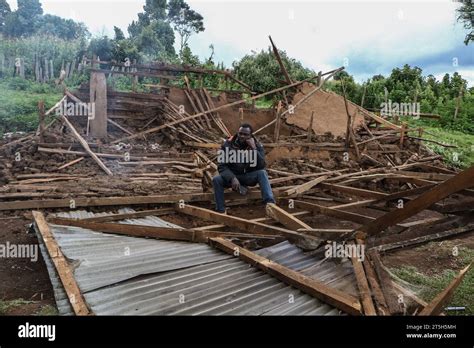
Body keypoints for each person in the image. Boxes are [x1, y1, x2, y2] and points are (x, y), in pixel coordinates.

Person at [212, 123, 275, 213]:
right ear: (237, 133)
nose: (242, 136)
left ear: (250, 136)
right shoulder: (228, 145)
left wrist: (254, 149)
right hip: (233, 177)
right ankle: (220, 210)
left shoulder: (257, 145)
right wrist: (232, 178)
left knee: (262, 173)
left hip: (247, 177)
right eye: (240, 133)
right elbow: (222, 166)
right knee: (216, 180)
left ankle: (270, 204)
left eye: (245, 134)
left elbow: (261, 165)